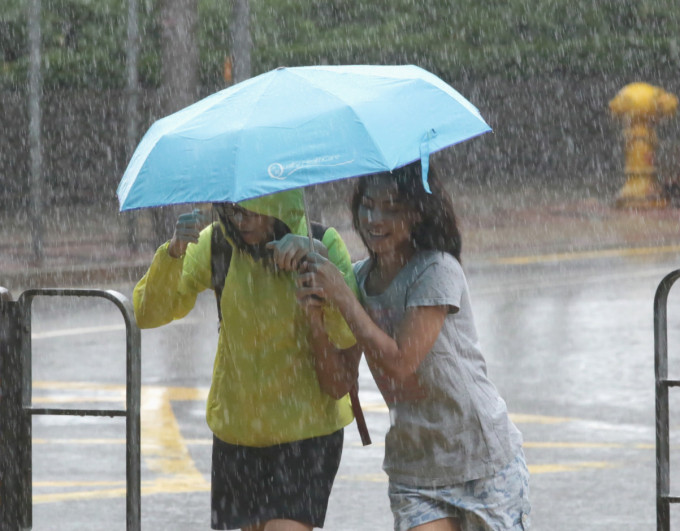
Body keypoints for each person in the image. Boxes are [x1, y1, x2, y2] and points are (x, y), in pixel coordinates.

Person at [294, 162, 531, 531]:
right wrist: (315, 320)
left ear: (418, 212)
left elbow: (401, 361)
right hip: (414, 468)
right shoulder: (358, 280)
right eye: (367, 205)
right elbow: (337, 383)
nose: (375, 218)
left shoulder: (437, 270)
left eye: (392, 207)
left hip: (482, 460)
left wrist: (342, 296)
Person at [133, 189, 359, 531]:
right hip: (238, 435)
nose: (241, 221)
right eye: (233, 211)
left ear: (278, 203)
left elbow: (348, 334)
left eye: (252, 212)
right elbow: (149, 313)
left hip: (306, 435)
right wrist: (174, 253)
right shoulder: (217, 243)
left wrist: (320, 270)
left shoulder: (322, 241)